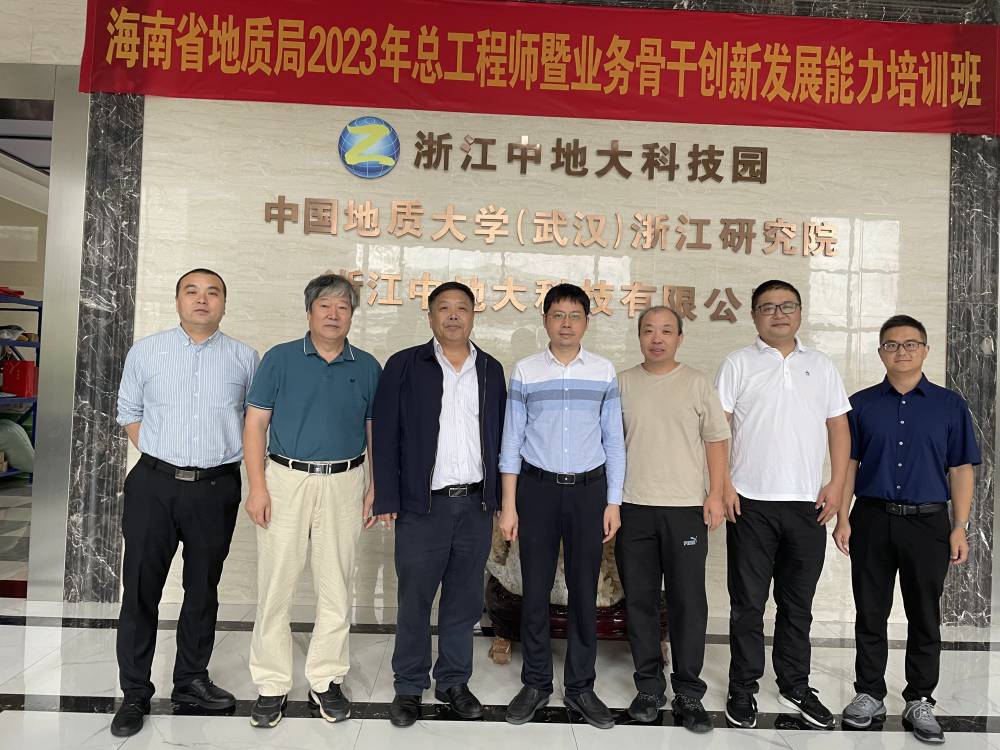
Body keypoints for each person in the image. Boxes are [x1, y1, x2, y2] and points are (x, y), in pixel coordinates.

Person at [112, 268, 259, 738]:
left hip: (216, 488)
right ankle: (135, 691)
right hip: (153, 485)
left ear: (224, 304)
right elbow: (129, 412)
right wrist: (164, 457)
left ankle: (191, 680)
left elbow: (254, 423)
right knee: (141, 587)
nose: (202, 299)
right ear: (177, 301)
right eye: (191, 292)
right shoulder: (146, 351)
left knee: (202, 588)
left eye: (212, 293)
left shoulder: (245, 358)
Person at [243, 273, 381, 728]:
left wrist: (375, 485)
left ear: (352, 315)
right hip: (285, 479)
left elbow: (373, 432)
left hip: (345, 481)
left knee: (336, 583)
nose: (334, 314)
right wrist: (257, 486)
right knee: (276, 583)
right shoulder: (280, 359)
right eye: (325, 305)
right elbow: (255, 425)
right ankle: (271, 683)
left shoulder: (367, 366)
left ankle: (326, 678)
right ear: (309, 311)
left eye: (343, 307)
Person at [835, 315, 978, 744]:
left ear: (925, 350)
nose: (901, 351)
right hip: (872, 517)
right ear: (880, 352)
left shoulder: (950, 405)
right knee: (870, 611)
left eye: (910, 344)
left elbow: (961, 469)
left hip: (929, 523)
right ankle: (869, 694)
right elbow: (848, 465)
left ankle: (920, 699)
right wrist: (843, 517)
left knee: (924, 614)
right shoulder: (860, 405)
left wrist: (960, 527)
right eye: (892, 345)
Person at [715, 279, 850, 730]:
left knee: (798, 604)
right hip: (749, 502)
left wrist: (837, 484)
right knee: (748, 604)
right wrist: (723, 485)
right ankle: (743, 686)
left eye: (786, 306)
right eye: (768, 307)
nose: (778, 314)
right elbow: (719, 429)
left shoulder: (821, 366)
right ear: (754, 315)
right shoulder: (738, 363)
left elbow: (838, 427)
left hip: (807, 504)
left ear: (800, 312)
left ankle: (795, 683)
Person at [372, 281, 506, 727]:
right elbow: (385, 433)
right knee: (414, 598)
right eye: (443, 308)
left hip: (475, 504)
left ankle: (453, 681)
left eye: (461, 308)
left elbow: (501, 437)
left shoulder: (490, 369)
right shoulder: (405, 364)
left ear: (473, 316)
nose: (452, 315)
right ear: (429, 316)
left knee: (464, 602)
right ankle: (409, 685)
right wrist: (387, 495)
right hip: (421, 506)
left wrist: (500, 500)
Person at [498, 283, 625, 730]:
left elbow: (614, 441)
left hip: (590, 492)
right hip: (537, 490)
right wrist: (509, 505)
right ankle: (535, 683)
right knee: (534, 589)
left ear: (587, 321)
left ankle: (581, 687)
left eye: (574, 315)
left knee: (583, 590)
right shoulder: (527, 371)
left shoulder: (603, 371)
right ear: (545, 320)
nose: (566, 323)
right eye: (558, 315)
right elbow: (511, 441)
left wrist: (613, 502)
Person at [616, 306, 729, 732]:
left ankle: (688, 692)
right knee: (640, 602)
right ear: (639, 337)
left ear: (680, 337)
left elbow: (716, 441)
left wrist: (715, 494)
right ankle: (648, 687)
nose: (657, 338)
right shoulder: (623, 383)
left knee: (687, 602)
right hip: (633, 507)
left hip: (685, 510)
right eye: (648, 330)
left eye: (666, 331)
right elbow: (611, 445)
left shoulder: (697, 383)